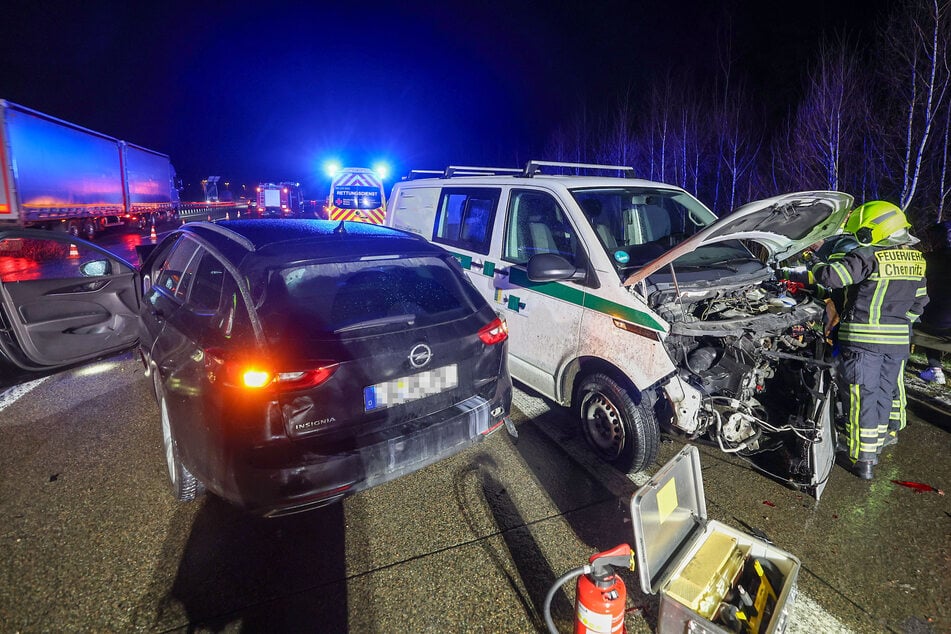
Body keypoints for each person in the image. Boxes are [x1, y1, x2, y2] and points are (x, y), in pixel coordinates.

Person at [779, 201, 929, 480]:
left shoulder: (868, 256)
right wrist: (897, 324)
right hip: (896, 344)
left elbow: (832, 277)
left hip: (863, 343)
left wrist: (814, 260)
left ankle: (862, 459)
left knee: (861, 397)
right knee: (884, 393)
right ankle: (879, 443)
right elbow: (919, 304)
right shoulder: (916, 260)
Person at [916, 221, 951, 385]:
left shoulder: (926, 260)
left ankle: (935, 369)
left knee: (926, 314)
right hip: (945, 325)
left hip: (934, 323)